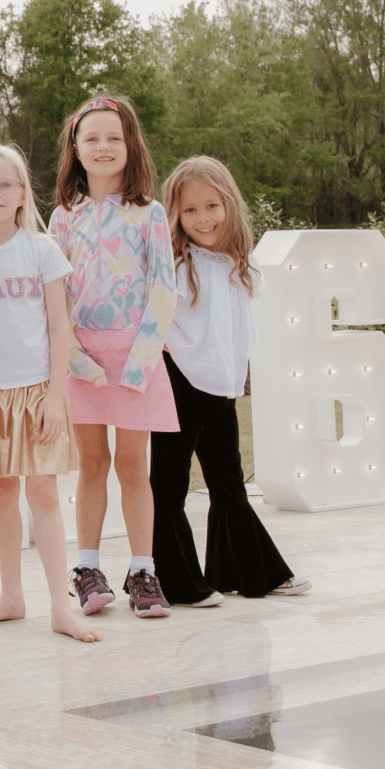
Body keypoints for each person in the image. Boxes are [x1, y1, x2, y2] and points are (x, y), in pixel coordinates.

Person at [0, 144, 101, 643]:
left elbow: (59, 327)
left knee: (44, 492)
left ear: (22, 193)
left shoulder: (40, 250)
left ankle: (59, 606)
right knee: (1, 491)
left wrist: (55, 395)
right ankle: (11, 596)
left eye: (5, 184)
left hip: (36, 393)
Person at [152, 156, 310, 604]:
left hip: (220, 386)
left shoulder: (238, 263)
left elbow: (237, 328)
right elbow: (154, 319)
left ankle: (245, 572)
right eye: (190, 211)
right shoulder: (177, 264)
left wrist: (235, 376)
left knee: (228, 483)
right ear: (175, 215)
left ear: (229, 206)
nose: (203, 219)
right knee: (168, 485)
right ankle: (175, 582)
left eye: (212, 206)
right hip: (180, 382)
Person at [48, 94, 178, 619]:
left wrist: (141, 364)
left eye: (114, 138)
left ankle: (143, 570)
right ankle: (87, 568)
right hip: (83, 359)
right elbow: (54, 299)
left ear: (131, 147)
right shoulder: (62, 220)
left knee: (132, 465)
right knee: (91, 463)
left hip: (134, 357)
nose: (103, 147)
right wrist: (76, 360)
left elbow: (163, 289)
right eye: (92, 138)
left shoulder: (148, 215)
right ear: (75, 149)